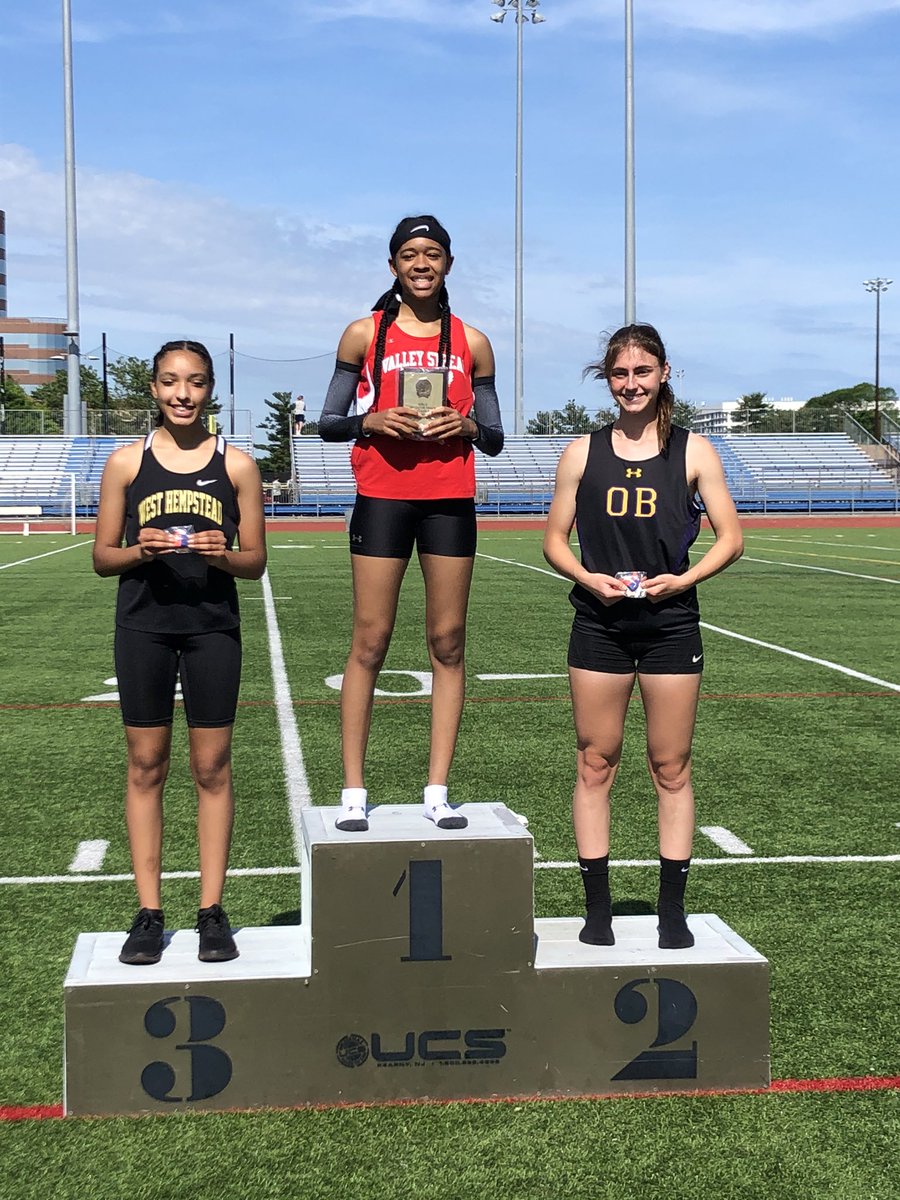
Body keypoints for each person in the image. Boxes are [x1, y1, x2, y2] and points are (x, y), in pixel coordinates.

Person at [542, 323, 743, 950]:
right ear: (608, 379)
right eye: (620, 374)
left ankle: (671, 912)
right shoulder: (581, 452)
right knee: (595, 761)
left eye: (642, 372)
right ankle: (597, 910)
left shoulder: (695, 451)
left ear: (663, 374)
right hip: (599, 622)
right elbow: (553, 540)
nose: (631, 384)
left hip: (670, 625)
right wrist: (586, 577)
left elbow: (732, 539)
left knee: (671, 766)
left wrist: (682, 581)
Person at [319, 215, 504, 833]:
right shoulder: (362, 333)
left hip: (449, 499)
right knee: (370, 641)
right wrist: (370, 421)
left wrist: (466, 426)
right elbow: (329, 422)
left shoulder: (473, 341)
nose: (421, 264)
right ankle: (353, 790)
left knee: (448, 642)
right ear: (393, 264)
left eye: (432, 254)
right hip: (383, 496)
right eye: (409, 254)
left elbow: (495, 436)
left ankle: (437, 790)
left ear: (448, 263)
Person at [93, 340, 267, 965]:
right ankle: (149, 912)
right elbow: (102, 558)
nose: (182, 394)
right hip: (143, 626)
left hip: (212, 628)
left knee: (212, 766)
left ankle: (211, 910)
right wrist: (140, 549)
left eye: (194, 382)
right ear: (154, 388)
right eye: (170, 381)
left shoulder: (237, 465)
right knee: (146, 765)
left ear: (210, 388)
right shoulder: (126, 462)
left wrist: (223, 555)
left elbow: (255, 562)